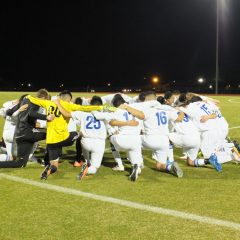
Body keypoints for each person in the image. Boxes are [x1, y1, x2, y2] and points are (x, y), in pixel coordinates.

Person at [27, 90, 109, 180]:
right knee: (77, 134)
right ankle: (80, 160)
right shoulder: (68, 105)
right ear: (68, 99)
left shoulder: (48, 103)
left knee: (54, 165)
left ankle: (50, 168)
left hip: (50, 141)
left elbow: (34, 100)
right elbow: (84, 108)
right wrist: (100, 107)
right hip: (64, 138)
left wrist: (28, 97)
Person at [55, 95, 108, 180]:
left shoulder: (83, 113)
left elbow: (66, 114)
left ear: (90, 104)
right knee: (95, 168)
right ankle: (88, 168)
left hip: (85, 142)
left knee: (81, 140)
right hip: (99, 142)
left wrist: (58, 103)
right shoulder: (105, 114)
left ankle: (86, 162)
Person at [0, 89, 53, 168]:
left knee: (21, 163)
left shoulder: (24, 101)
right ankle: (49, 161)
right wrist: (46, 117)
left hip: (19, 135)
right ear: (43, 97)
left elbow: (8, 112)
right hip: (27, 133)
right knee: (51, 134)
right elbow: (31, 113)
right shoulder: (36, 102)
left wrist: (17, 109)